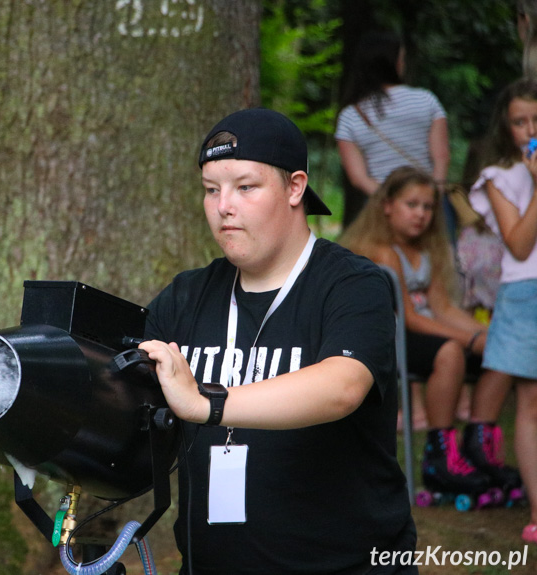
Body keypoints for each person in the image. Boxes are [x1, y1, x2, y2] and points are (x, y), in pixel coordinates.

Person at [138, 108, 415, 574]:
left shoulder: (353, 285)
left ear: (295, 187)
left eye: (245, 187)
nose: (224, 205)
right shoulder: (185, 296)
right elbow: (130, 412)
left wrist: (208, 402)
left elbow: (342, 387)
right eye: (211, 189)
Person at [339, 166, 500, 501]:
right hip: (392, 338)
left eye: (428, 207)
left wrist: (489, 334)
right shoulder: (382, 251)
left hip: (425, 333)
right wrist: (469, 339)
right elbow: (409, 318)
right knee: (451, 352)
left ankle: (480, 447)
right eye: (412, 205)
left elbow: (443, 308)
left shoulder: (428, 251)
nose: (422, 215)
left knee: (499, 354)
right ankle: (439, 454)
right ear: (387, 205)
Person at [467, 77, 537, 542]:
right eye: (520, 121)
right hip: (526, 290)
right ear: (506, 127)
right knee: (531, 405)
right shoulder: (498, 177)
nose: (531, 128)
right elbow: (518, 243)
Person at [335, 30, 451, 229]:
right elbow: (441, 156)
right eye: (402, 59)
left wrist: (393, 202)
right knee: (441, 257)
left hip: (382, 207)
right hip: (430, 203)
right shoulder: (426, 100)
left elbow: (359, 178)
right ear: (394, 63)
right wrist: (432, 195)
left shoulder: (351, 115)